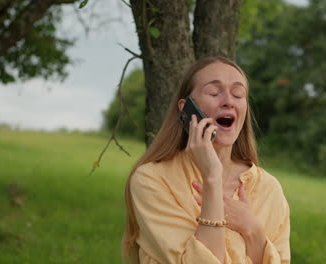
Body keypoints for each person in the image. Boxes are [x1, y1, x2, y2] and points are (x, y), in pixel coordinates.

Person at [121, 57, 290, 264]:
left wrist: (252, 229)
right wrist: (211, 179)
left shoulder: (269, 189)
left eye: (238, 94)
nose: (228, 101)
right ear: (186, 108)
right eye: (214, 92)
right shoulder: (151, 179)